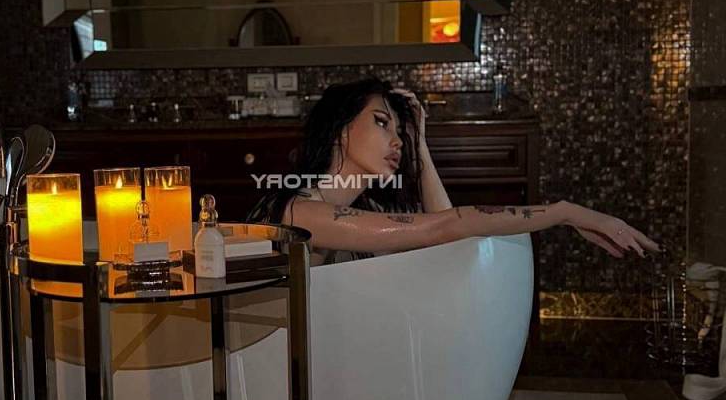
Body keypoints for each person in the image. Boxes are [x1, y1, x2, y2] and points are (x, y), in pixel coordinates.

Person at [247, 77, 660, 265]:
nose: (397, 141)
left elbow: (449, 245)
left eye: (400, 131)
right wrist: (565, 212)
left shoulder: (366, 208)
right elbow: (443, 227)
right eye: (381, 123)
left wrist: (421, 148)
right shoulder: (298, 213)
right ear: (340, 129)